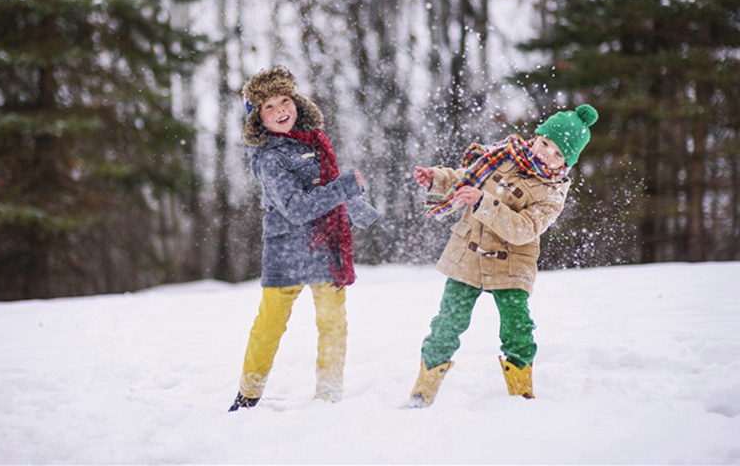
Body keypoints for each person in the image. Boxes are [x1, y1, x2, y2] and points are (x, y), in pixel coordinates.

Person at [407, 104, 598, 407]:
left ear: (566, 162)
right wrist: (437, 178)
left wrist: (484, 202)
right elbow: (466, 177)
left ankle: (521, 393)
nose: (546, 153)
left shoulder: (552, 192)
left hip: (511, 265)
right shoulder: (503, 157)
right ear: (537, 137)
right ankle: (422, 391)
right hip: (467, 256)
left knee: (517, 329)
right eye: (545, 143)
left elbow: (524, 229)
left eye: (558, 153)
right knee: (447, 323)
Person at [229, 66, 379, 412]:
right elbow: (296, 208)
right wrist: (344, 186)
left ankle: (329, 395)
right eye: (269, 106)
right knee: (269, 325)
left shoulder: (313, 140)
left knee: (333, 324)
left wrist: (354, 202)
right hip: (286, 250)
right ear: (257, 118)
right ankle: (247, 395)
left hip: (324, 248)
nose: (281, 110)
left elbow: (323, 189)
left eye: (285, 100)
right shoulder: (269, 157)